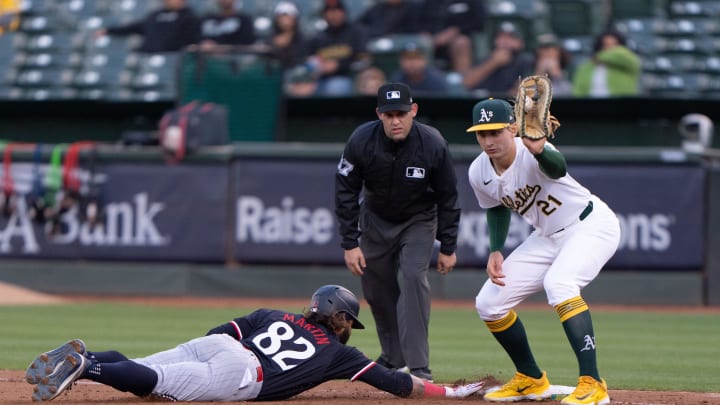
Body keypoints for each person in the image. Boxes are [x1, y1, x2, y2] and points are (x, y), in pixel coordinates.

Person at [25, 285, 484, 402]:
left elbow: (220, 333)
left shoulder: (270, 314)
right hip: (245, 374)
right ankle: (86, 368)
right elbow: (396, 385)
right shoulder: (339, 352)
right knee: (156, 384)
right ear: (337, 315)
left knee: (146, 365)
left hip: (218, 347)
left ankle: (86, 356)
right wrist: (452, 392)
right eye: (349, 319)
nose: (349, 328)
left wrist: (212, 355)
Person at [465, 98, 621, 404]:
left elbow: (558, 168)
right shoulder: (478, 170)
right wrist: (496, 250)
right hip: (547, 237)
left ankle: (593, 383)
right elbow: (496, 207)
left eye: (496, 132)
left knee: (559, 284)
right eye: (482, 134)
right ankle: (531, 378)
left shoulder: (531, 149)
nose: (489, 140)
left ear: (512, 128)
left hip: (589, 226)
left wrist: (539, 149)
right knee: (488, 303)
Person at [335, 82, 461, 382]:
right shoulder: (361, 140)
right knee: (377, 290)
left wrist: (448, 246)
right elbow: (345, 191)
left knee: (414, 277)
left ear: (413, 111)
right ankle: (393, 357)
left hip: (418, 219)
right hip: (376, 219)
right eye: (389, 114)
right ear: (379, 114)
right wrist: (350, 243)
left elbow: (449, 196)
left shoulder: (432, 143)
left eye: (402, 113)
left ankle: (419, 368)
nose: (396, 120)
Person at [305, 0, 369, 96]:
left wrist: (339, 65)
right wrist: (317, 66)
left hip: (347, 77)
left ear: (344, 13)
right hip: (320, 78)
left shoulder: (356, 32)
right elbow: (308, 59)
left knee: (336, 87)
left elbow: (363, 60)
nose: (333, 15)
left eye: (336, 11)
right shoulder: (318, 37)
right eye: (329, 11)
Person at [94, 0, 202, 53]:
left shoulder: (190, 17)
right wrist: (108, 31)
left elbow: (196, 39)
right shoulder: (155, 15)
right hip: (148, 55)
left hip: (173, 58)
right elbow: (134, 27)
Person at [462, 21, 533, 96]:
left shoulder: (527, 62)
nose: (505, 41)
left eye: (511, 38)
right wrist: (493, 63)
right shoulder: (486, 60)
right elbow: (466, 83)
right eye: (501, 37)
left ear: (521, 43)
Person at [418, 0, 488, 73]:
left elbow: (480, 21)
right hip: (431, 40)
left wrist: (456, 31)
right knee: (419, 43)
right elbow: (418, 20)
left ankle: (462, 80)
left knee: (461, 42)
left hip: (459, 39)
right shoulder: (429, 2)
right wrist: (425, 33)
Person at [571, 28, 641, 97]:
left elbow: (624, 56)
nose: (610, 48)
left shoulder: (628, 63)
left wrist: (601, 56)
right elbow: (578, 91)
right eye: (606, 45)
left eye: (614, 45)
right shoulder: (586, 67)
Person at [265, 1, 308, 70]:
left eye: (288, 17)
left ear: (295, 19)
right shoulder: (270, 38)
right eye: (282, 17)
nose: (285, 20)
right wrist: (275, 46)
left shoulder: (302, 39)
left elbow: (303, 59)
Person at [357, 0, 421, 40]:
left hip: (401, 42)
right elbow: (359, 23)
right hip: (375, 39)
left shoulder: (412, 8)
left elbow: (414, 29)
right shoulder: (377, 8)